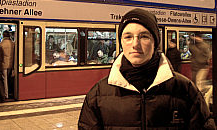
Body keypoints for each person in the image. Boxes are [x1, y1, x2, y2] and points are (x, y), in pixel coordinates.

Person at [78, 8, 215, 129]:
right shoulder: (97, 95)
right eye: (128, 37)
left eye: (144, 36)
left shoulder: (186, 90)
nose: (135, 44)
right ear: (121, 43)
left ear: (155, 42)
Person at [0, 30, 14, 99]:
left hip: (4, 64)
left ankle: (6, 94)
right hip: (11, 63)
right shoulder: (12, 43)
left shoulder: (1, 44)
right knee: (9, 79)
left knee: (4, 80)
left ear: (3, 35)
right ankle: (10, 92)